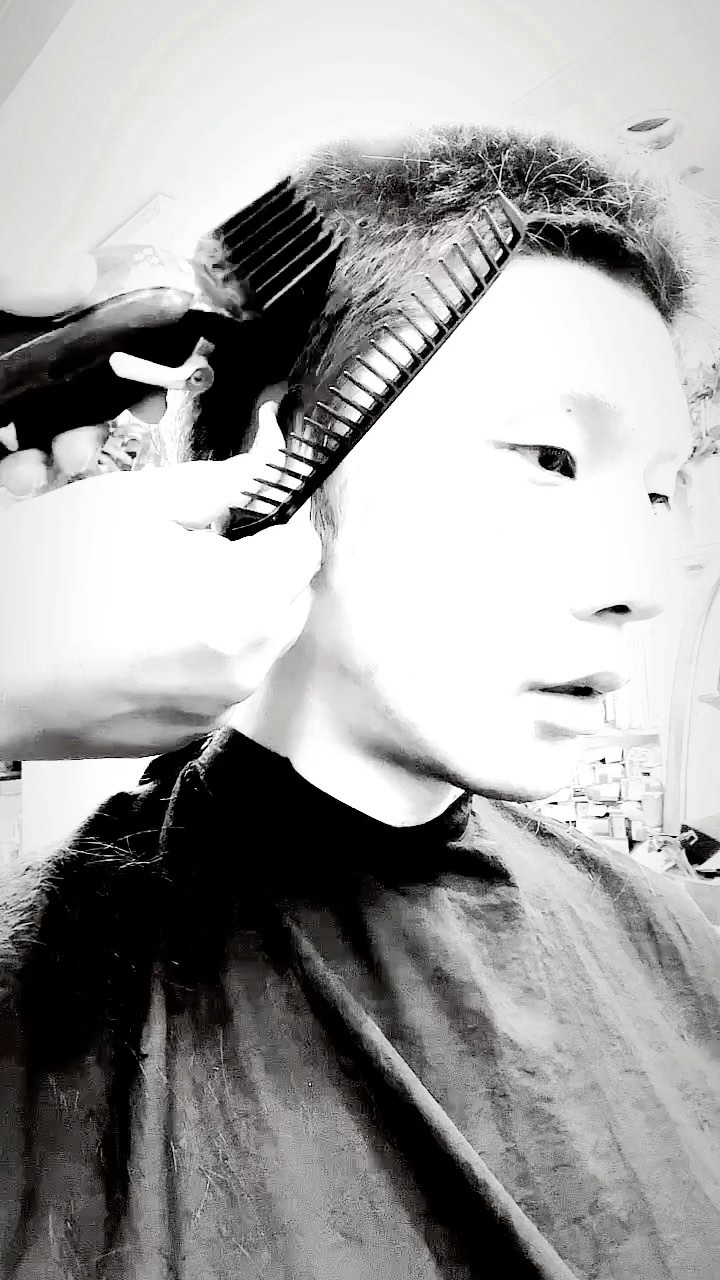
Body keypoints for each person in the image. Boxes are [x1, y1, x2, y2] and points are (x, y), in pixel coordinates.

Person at [1, 122, 719, 1280]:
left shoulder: (687, 952)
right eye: (550, 456)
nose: (642, 584)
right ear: (282, 455)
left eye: (658, 490)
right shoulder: (37, 1009)